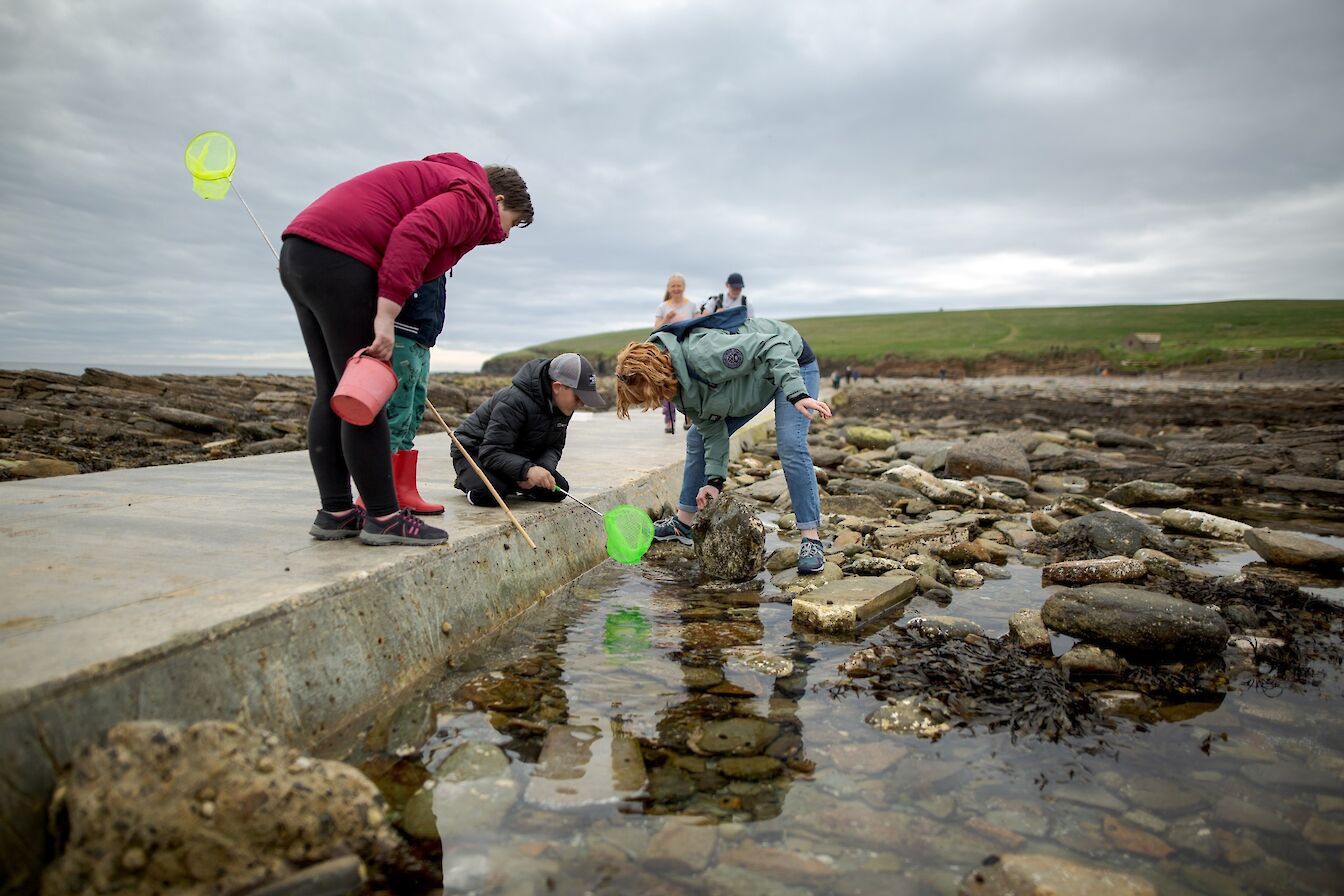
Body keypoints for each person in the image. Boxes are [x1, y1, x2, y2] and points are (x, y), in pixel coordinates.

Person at [279, 153, 532, 546]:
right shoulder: (473, 197)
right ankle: (383, 517)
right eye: (511, 223)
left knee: (335, 389)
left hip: (302, 251)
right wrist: (387, 313)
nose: (504, 234)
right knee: (366, 395)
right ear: (497, 200)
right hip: (341, 256)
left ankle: (336, 512)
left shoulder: (445, 179)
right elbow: (416, 232)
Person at [613, 307, 833, 574]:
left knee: (790, 443)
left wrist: (797, 394)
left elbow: (772, 345)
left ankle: (811, 538)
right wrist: (714, 482)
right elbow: (711, 428)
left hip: (791, 362)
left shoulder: (706, 353)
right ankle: (684, 523)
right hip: (753, 382)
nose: (657, 402)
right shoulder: (675, 387)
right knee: (697, 437)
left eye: (651, 396)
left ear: (656, 376)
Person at [451, 353, 605, 507]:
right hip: (474, 451)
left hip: (515, 454)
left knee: (558, 490)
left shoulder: (563, 407)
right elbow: (491, 451)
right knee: (491, 494)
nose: (582, 404)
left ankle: (512, 481)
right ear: (557, 387)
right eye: (578, 397)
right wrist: (527, 470)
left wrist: (541, 470)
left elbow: (554, 446)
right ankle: (469, 480)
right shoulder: (515, 401)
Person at [354, 275, 447, 515]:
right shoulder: (423, 240)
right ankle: (373, 495)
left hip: (423, 337)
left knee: (413, 413)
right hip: (402, 331)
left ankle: (402, 489)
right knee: (396, 412)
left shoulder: (446, 251)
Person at [652, 273, 697, 434]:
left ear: (683, 287)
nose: (676, 289)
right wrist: (666, 318)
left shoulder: (692, 306)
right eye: (673, 286)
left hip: (688, 349)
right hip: (668, 350)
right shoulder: (663, 307)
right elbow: (655, 330)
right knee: (668, 384)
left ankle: (689, 418)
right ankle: (669, 420)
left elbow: (699, 326)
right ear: (669, 288)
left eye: (679, 286)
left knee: (688, 382)